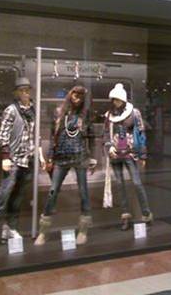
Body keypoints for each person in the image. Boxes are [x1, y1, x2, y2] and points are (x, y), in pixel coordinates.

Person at [35, 86, 97, 246]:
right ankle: (43, 230)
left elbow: (91, 137)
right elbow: (53, 137)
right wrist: (50, 158)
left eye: (81, 95)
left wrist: (93, 158)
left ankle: (83, 229)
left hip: (80, 157)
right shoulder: (59, 113)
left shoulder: (85, 115)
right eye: (75, 94)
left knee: (83, 192)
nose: (77, 97)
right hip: (60, 158)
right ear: (70, 95)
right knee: (52, 192)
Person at [0, 77, 35, 251]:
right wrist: (5, 156)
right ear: (17, 93)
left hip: (27, 159)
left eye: (27, 90)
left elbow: (34, 135)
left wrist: (38, 155)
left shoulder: (33, 110)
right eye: (22, 90)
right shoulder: (11, 110)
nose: (25, 93)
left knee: (18, 197)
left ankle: (10, 227)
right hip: (13, 159)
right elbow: (3, 134)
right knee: (3, 196)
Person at [104, 83, 153, 231]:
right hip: (115, 154)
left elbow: (141, 133)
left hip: (130, 153)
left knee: (137, 183)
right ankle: (125, 216)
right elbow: (105, 134)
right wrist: (109, 146)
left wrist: (143, 155)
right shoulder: (109, 115)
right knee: (120, 186)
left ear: (124, 99)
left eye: (118, 99)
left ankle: (146, 214)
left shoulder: (134, 113)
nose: (116, 102)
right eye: (114, 99)